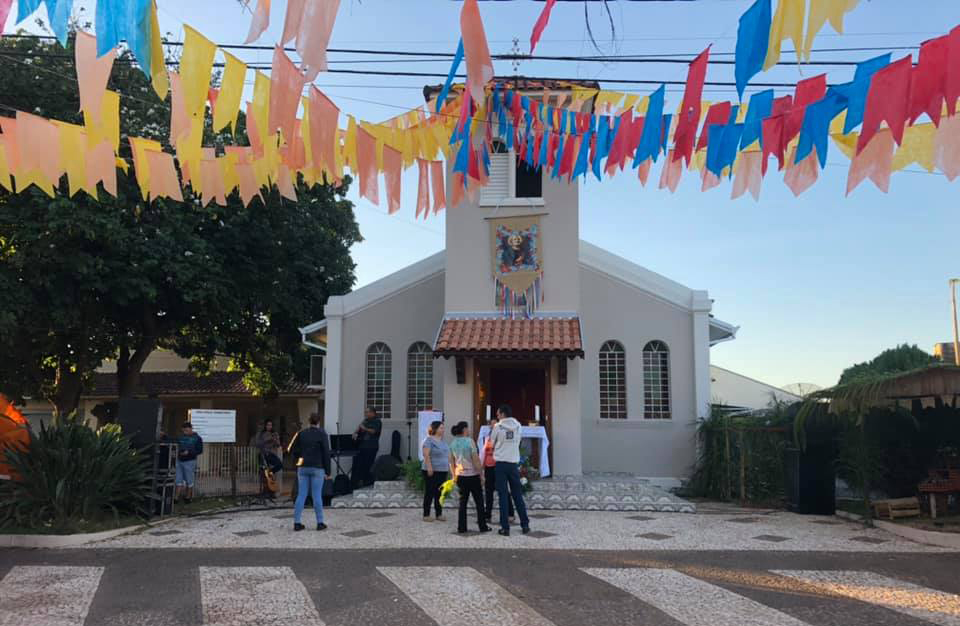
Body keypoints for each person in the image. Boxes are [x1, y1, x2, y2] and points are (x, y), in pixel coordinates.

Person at [287, 412, 331, 531]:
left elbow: (292, 450)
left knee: (301, 494)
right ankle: (320, 523)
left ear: (309, 421)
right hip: (317, 467)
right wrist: (328, 471)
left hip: (303, 467)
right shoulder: (322, 434)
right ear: (318, 422)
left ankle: (297, 523)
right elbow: (326, 453)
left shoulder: (301, 433)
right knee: (317, 495)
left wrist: (300, 461)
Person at [491, 404, 530, 536]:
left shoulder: (498, 426)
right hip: (513, 463)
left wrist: (499, 446)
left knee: (503, 496)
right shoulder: (518, 425)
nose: (497, 416)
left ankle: (505, 528)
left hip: (501, 463)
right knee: (517, 494)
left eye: (497, 413)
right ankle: (525, 525)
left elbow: (491, 443)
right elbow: (518, 441)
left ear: (502, 414)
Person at [449, 421, 491, 534]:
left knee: (463, 502)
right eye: (467, 428)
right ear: (464, 430)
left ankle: (461, 527)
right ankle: (483, 526)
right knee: (479, 501)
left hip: (460, 476)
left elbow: (451, 462)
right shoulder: (470, 441)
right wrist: (481, 475)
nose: (469, 431)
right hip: (472, 475)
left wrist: (454, 476)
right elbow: (476, 460)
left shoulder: (452, 443)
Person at [482, 416, 514, 525]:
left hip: (499, 465)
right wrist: (482, 466)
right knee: (488, 491)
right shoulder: (488, 437)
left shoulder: (503, 436)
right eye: (492, 424)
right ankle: (488, 515)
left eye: (496, 423)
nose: (494, 425)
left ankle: (510, 513)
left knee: (504, 490)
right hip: (489, 465)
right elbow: (485, 452)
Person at [421, 420, 449, 522]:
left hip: (442, 470)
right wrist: (429, 467)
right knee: (430, 491)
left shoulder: (443, 441)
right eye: (441, 428)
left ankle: (439, 513)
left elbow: (447, 455)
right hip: (432, 470)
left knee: (440, 492)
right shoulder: (428, 440)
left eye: (443, 428)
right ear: (435, 429)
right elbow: (426, 455)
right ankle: (426, 514)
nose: (443, 430)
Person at [352, 407, 382, 488]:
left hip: (371, 446)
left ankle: (368, 481)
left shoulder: (377, 421)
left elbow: (374, 431)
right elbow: (358, 430)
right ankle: (359, 482)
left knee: (368, 464)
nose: (366, 414)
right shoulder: (365, 421)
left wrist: (364, 428)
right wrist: (355, 433)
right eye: (365, 412)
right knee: (360, 464)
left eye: (368, 412)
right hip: (362, 446)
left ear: (373, 413)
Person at [175, 422, 203, 504]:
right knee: (178, 479)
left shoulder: (197, 438)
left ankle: (188, 497)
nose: (185, 432)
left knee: (189, 480)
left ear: (191, 429)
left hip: (190, 461)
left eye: (186, 430)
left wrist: (189, 452)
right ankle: (176, 498)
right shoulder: (181, 437)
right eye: (183, 431)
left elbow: (200, 450)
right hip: (179, 460)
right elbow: (176, 445)